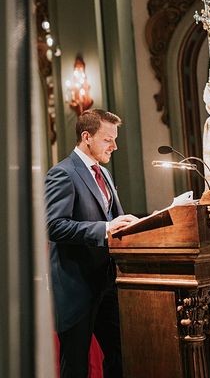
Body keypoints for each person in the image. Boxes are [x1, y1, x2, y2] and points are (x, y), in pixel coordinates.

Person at [45, 109, 139, 378]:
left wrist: (132, 223)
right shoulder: (62, 173)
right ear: (87, 137)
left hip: (108, 284)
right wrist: (105, 228)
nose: (115, 146)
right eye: (108, 139)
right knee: (75, 366)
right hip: (77, 287)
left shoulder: (105, 174)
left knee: (121, 356)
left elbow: (113, 218)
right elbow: (54, 226)